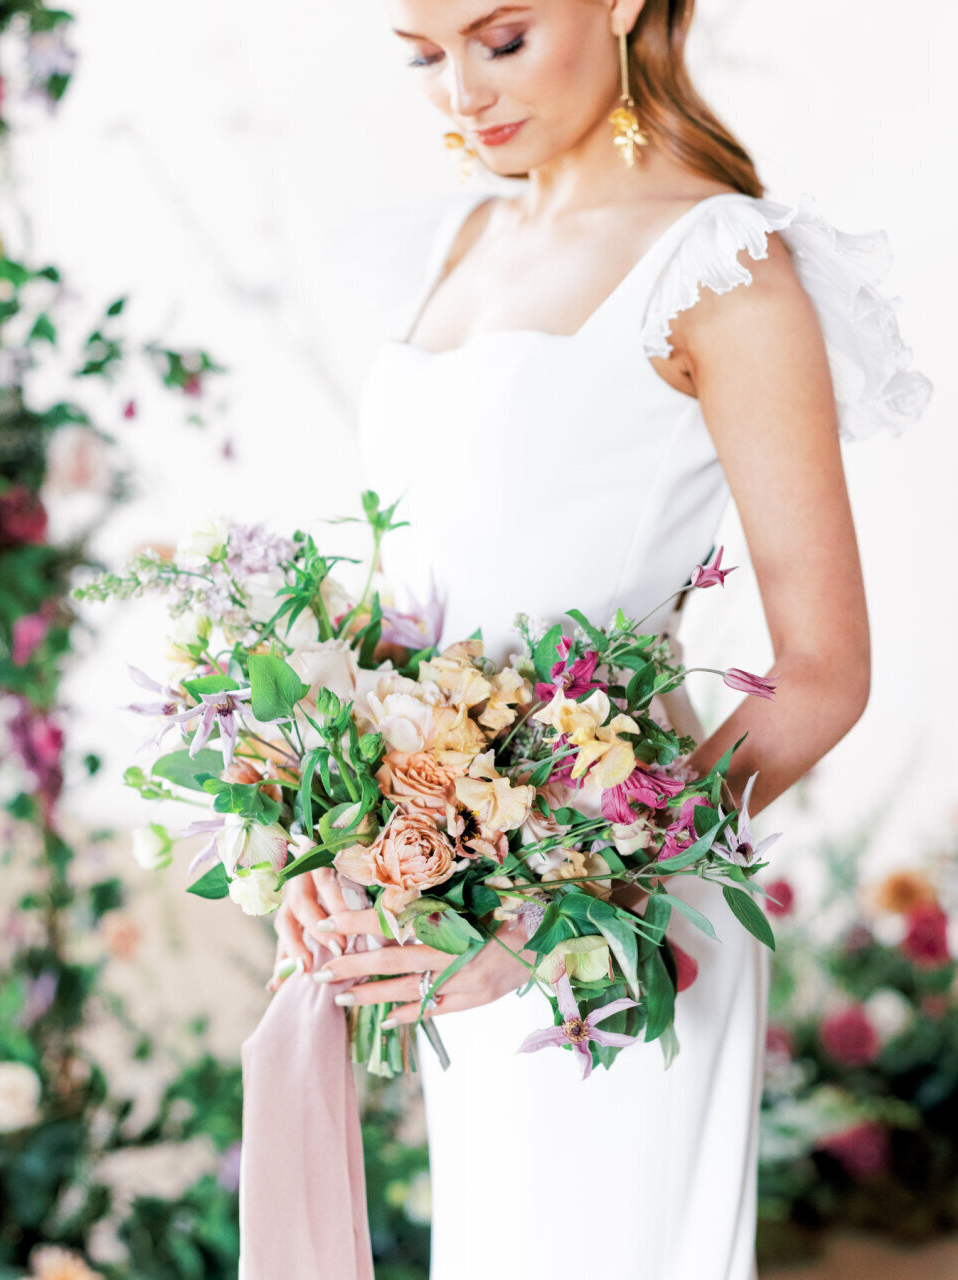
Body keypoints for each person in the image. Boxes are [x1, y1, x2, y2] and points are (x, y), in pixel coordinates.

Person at [255, 2, 932, 1277]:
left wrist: (566, 906)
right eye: (422, 55)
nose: (461, 92)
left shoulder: (720, 266)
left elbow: (826, 673)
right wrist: (322, 833)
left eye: (499, 39)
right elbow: (413, 598)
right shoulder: (458, 234)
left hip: (621, 941)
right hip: (451, 908)